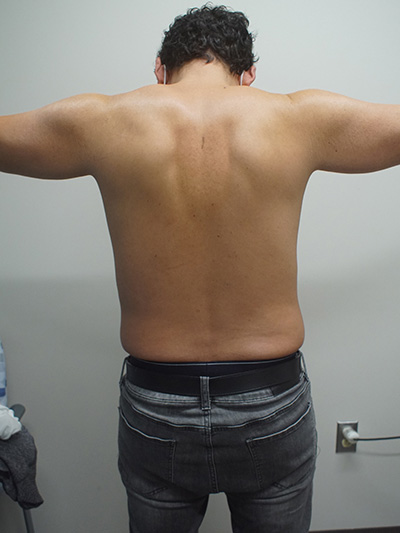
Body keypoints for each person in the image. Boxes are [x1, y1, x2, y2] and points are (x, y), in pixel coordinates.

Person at [1, 4, 400, 532]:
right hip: (270, 401)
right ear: (249, 74)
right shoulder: (300, 118)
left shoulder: (101, 121)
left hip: (157, 404)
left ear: (160, 69)